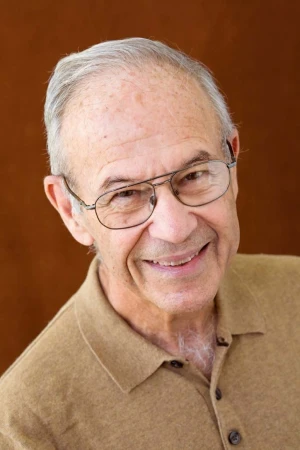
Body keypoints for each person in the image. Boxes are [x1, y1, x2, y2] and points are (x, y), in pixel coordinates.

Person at [0, 38, 299, 450]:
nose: (174, 228)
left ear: (231, 161)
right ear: (71, 210)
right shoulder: (25, 424)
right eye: (125, 195)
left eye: (194, 175)